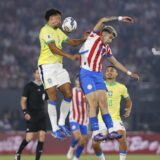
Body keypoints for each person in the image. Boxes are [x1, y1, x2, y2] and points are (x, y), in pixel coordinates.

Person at [79, 16, 139, 141]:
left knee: (103, 102)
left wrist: (129, 73)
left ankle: (111, 131)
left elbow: (115, 63)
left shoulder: (106, 48)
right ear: (104, 33)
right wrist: (120, 18)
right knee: (93, 102)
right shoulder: (94, 36)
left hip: (97, 75)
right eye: (110, 37)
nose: (110, 40)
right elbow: (102, 20)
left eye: (112, 39)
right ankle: (96, 133)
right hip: (86, 74)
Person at [38, 8, 86, 139]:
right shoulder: (45, 31)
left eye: (59, 18)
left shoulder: (59, 31)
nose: (58, 20)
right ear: (50, 19)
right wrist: (69, 56)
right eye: (56, 18)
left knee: (68, 94)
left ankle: (61, 123)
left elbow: (72, 42)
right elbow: (53, 49)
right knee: (52, 97)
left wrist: (83, 39)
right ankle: (54, 129)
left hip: (59, 67)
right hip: (46, 67)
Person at [92, 66, 132, 160]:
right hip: (101, 121)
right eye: (107, 71)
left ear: (116, 74)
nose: (109, 72)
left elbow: (128, 100)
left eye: (112, 71)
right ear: (104, 74)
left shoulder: (121, 87)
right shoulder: (98, 85)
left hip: (115, 120)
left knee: (122, 138)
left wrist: (129, 109)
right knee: (94, 144)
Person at [14, 69, 47, 160]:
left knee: (42, 137)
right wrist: (25, 112)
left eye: (40, 73)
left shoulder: (45, 86)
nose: (39, 75)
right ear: (34, 74)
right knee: (29, 138)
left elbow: (47, 100)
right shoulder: (29, 86)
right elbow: (23, 101)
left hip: (41, 115)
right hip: (32, 115)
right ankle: (18, 152)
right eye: (37, 73)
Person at [66, 75, 89, 160]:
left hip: (84, 120)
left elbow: (93, 104)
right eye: (77, 80)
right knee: (77, 137)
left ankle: (76, 158)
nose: (79, 82)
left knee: (83, 142)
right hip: (74, 118)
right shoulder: (71, 91)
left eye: (81, 80)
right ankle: (71, 149)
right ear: (75, 81)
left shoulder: (87, 92)